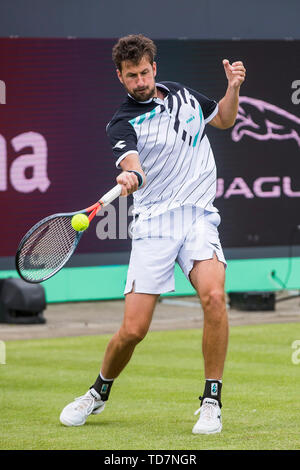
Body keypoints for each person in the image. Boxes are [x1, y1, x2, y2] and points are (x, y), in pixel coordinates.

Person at [60, 34, 246, 434]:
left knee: (214, 297)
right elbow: (132, 163)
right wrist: (131, 173)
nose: (140, 81)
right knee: (133, 331)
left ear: (154, 68)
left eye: (145, 72)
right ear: (120, 77)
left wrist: (232, 90)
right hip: (155, 225)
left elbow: (226, 120)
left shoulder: (183, 94)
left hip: (198, 215)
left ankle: (211, 400)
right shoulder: (121, 121)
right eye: (132, 76)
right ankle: (97, 392)